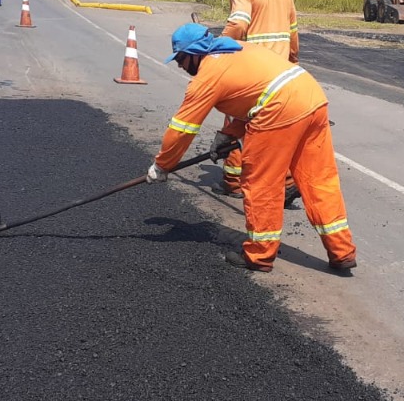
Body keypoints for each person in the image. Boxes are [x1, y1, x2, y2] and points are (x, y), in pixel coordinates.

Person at [148, 24, 357, 274]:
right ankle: (342, 252)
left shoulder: (207, 75)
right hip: (311, 98)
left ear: (195, 53)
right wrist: (227, 135)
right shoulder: (236, 49)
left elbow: (182, 129)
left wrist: (162, 165)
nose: (180, 66)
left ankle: (259, 255)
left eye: (181, 59)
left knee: (262, 184)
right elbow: (256, 92)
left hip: (280, 109)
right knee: (319, 180)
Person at [213, 0, 301, 207]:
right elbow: (293, 31)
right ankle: (287, 182)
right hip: (281, 72)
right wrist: (293, 61)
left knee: (236, 124)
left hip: (253, 71)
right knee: (279, 129)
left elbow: (239, 24)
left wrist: (218, 47)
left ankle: (233, 182)